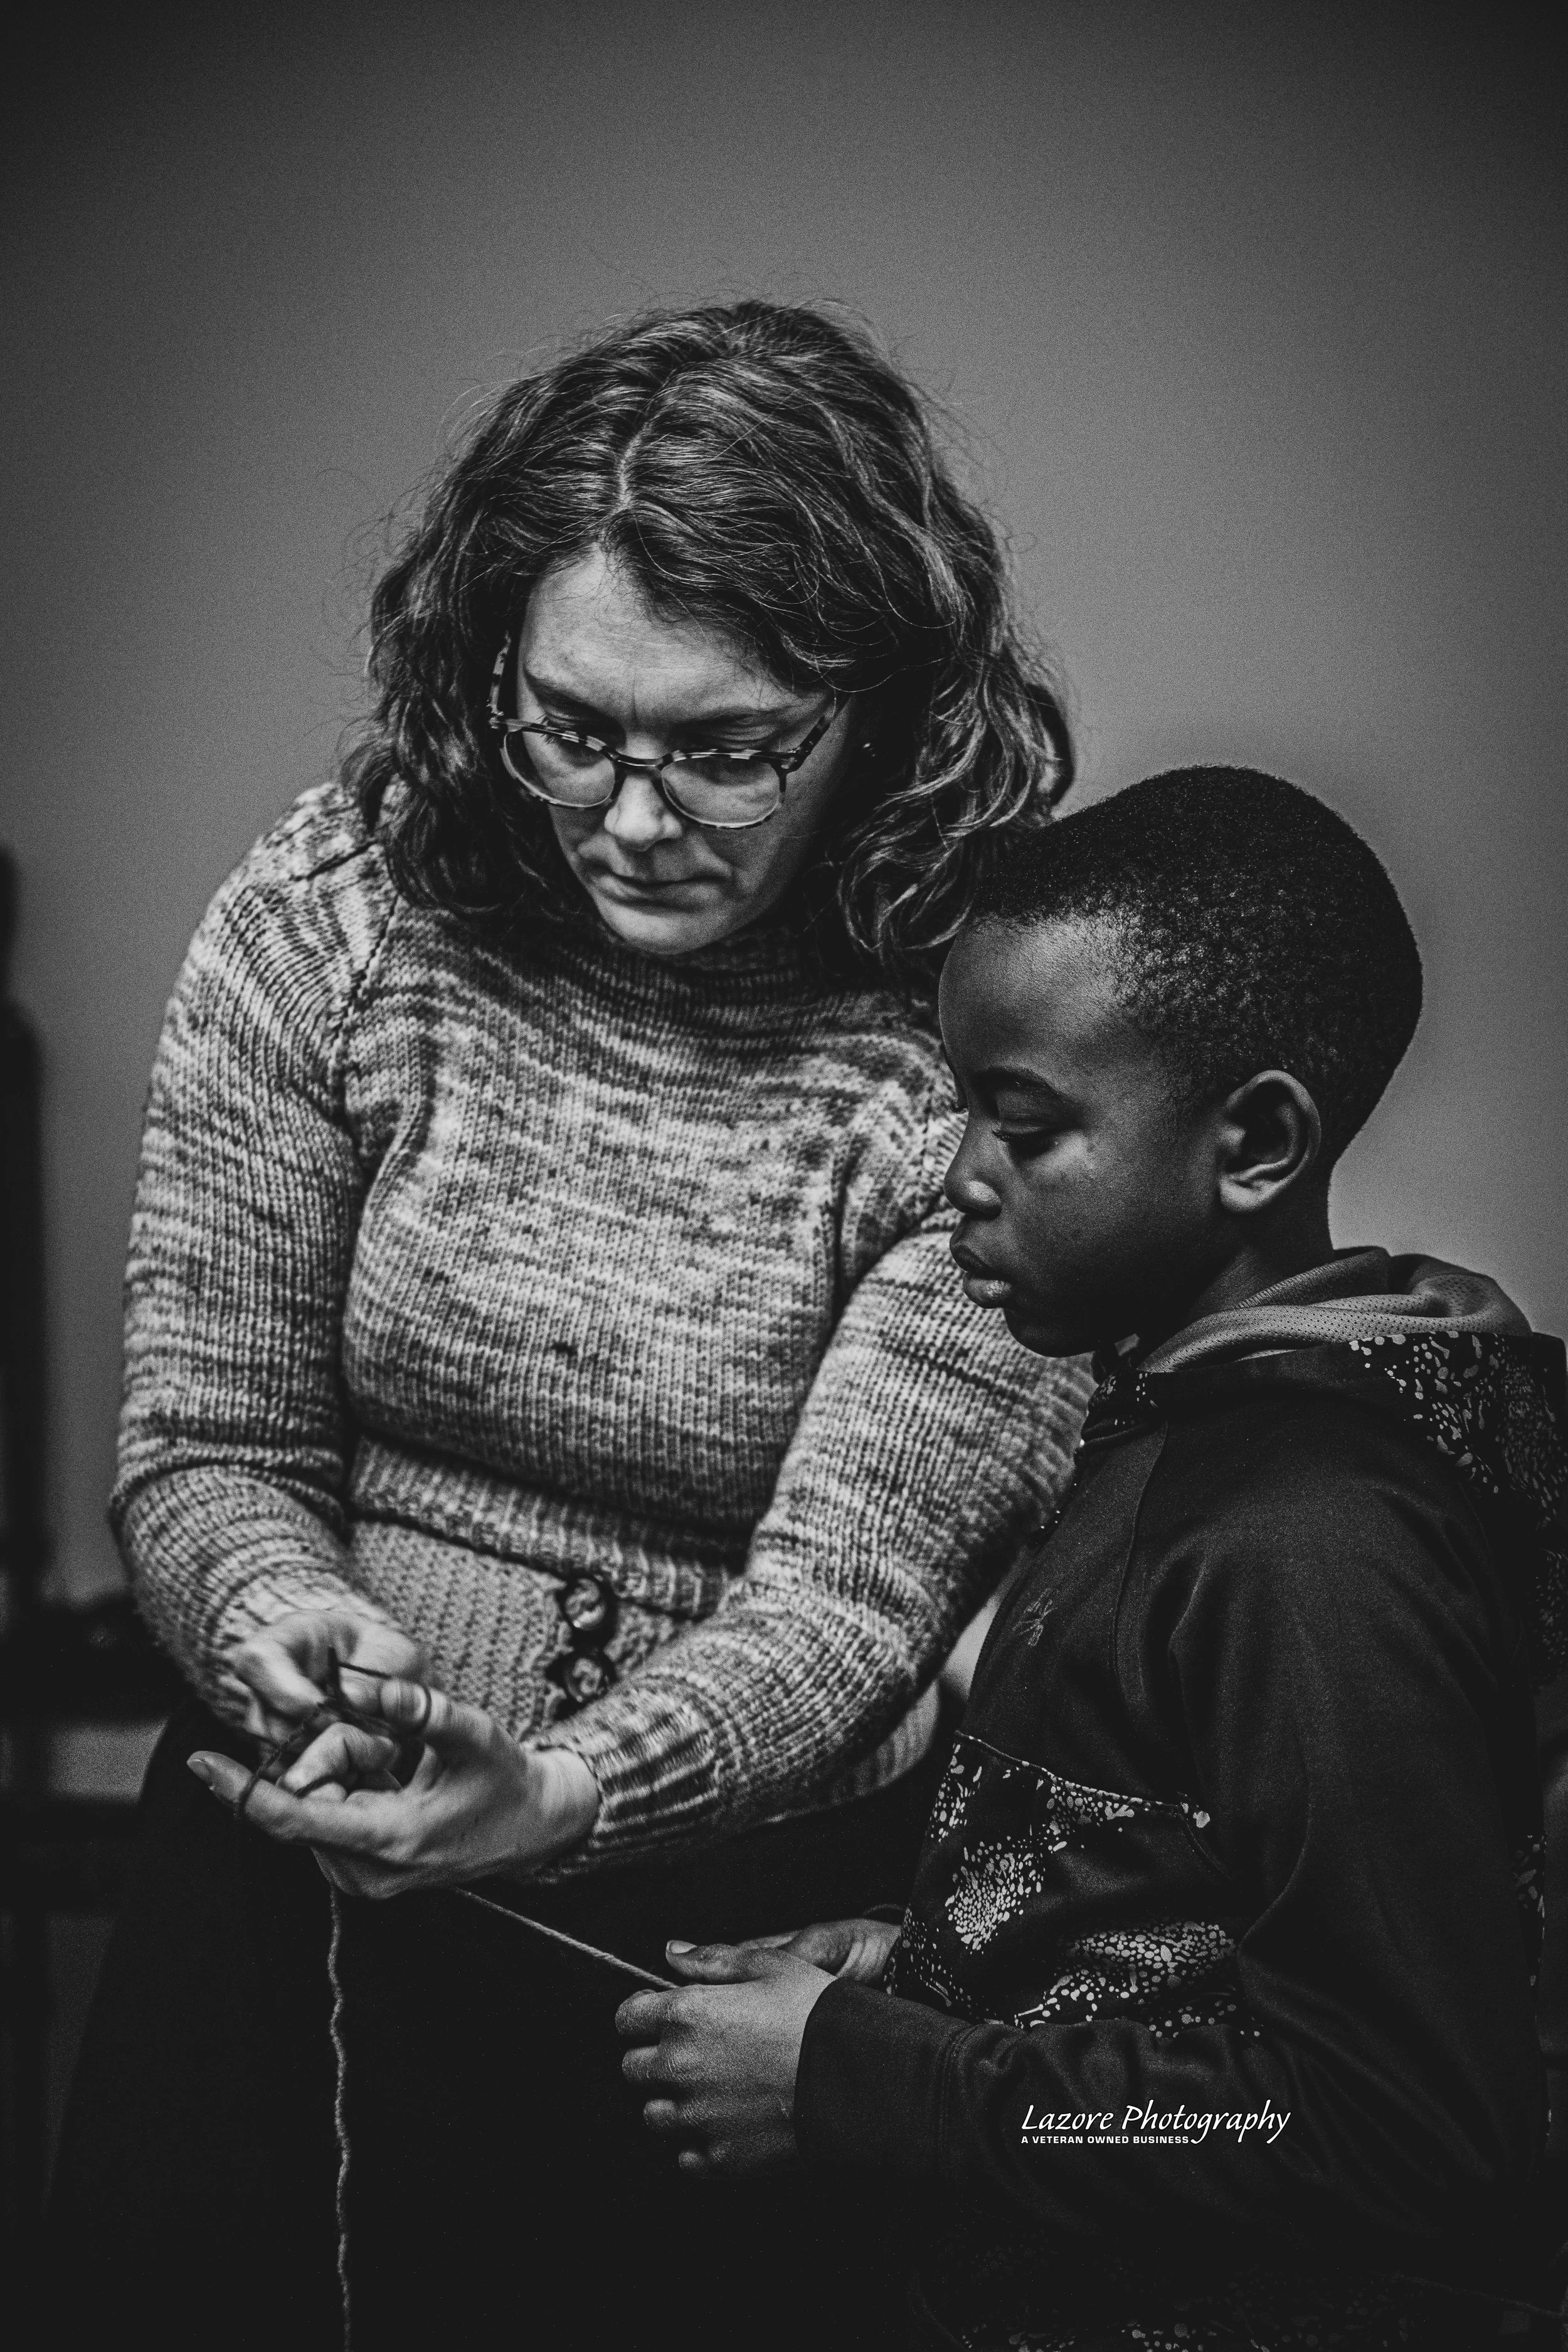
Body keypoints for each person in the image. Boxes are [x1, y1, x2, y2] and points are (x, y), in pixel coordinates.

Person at [46, 302, 1093, 2348]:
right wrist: (276, 1628)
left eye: (723, 747)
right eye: (570, 726)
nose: (629, 814)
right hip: (292, 1870)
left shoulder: (972, 1035)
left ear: (876, 716)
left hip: (701, 1973)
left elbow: (854, 1610)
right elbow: (208, 1440)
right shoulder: (341, 912)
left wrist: (564, 1788)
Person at [616, 768, 1566, 2349]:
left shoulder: (1308, 1539)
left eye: (1027, 1124)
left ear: (1253, 1140)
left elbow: (1388, 2128)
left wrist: (872, 2082)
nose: (958, 1177)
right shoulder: (1190, 1427)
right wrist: (923, 1972)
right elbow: (1186, 1924)